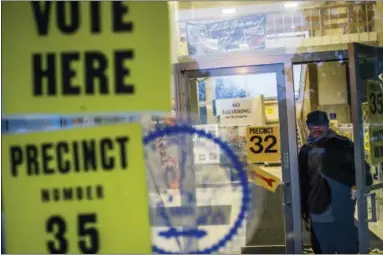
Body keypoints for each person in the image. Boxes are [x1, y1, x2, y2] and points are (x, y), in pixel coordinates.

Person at [298, 110, 372, 254]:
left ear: (327, 125)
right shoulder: (305, 150)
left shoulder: (343, 145)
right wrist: (304, 211)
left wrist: (354, 186)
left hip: (341, 210)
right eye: (313, 125)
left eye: (321, 125)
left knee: (346, 249)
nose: (317, 129)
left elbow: (364, 174)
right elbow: (302, 182)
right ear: (308, 127)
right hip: (317, 211)